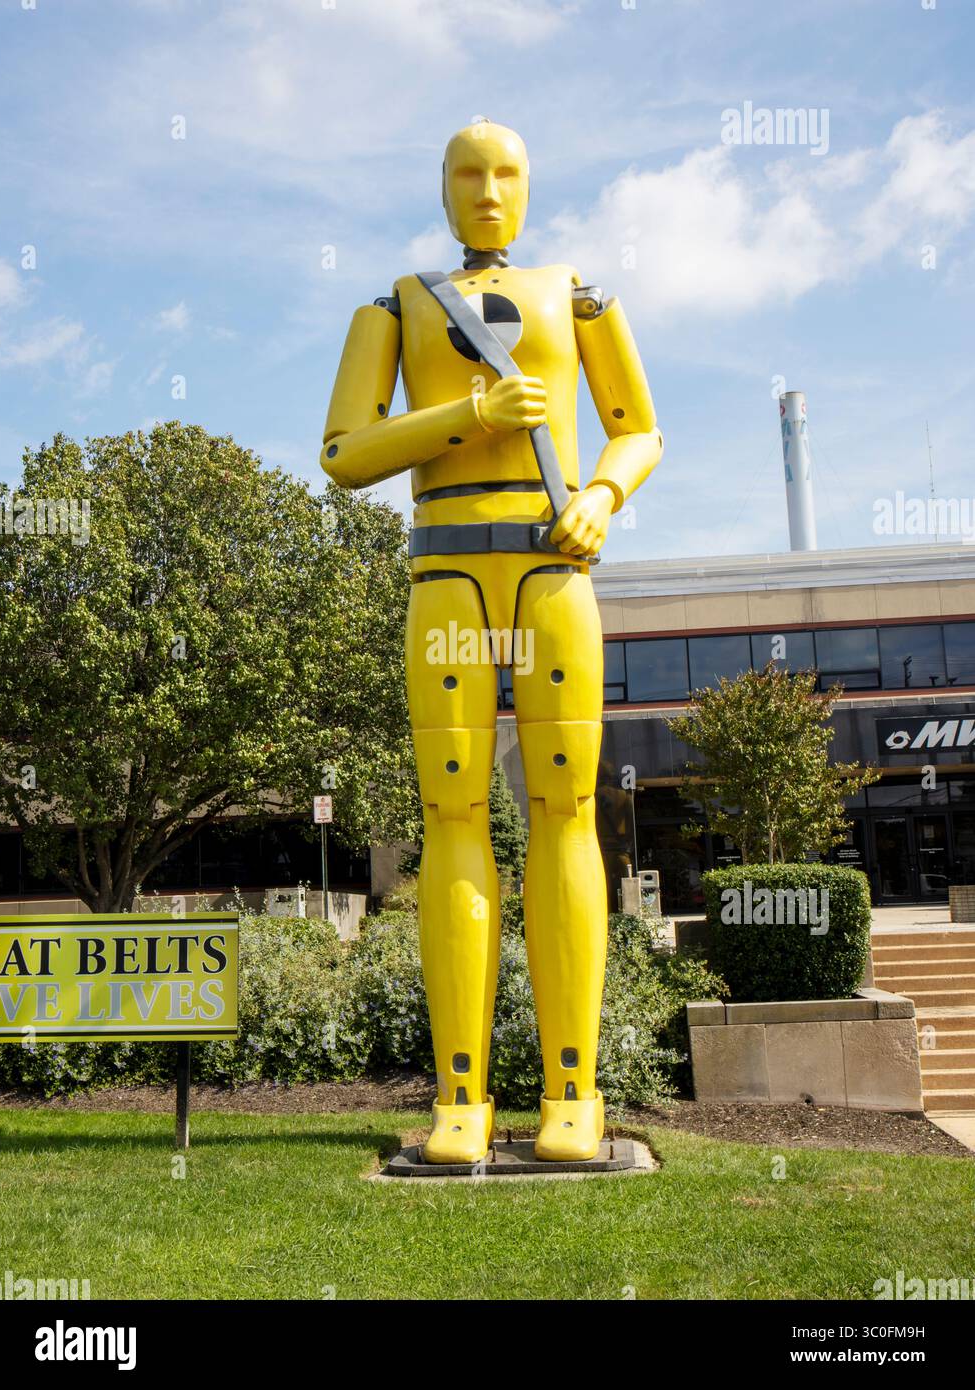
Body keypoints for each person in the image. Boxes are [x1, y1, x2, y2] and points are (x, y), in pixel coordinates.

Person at [321, 119, 663, 1162]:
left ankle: (576, 1091)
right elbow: (343, 450)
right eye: (467, 173)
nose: (487, 190)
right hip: (449, 573)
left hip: (555, 567)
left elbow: (637, 425)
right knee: (452, 809)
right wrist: (466, 412)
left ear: (529, 187)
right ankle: (459, 1098)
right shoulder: (393, 307)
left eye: (506, 172)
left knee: (564, 804)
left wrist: (602, 494)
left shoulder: (583, 296)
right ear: (442, 190)